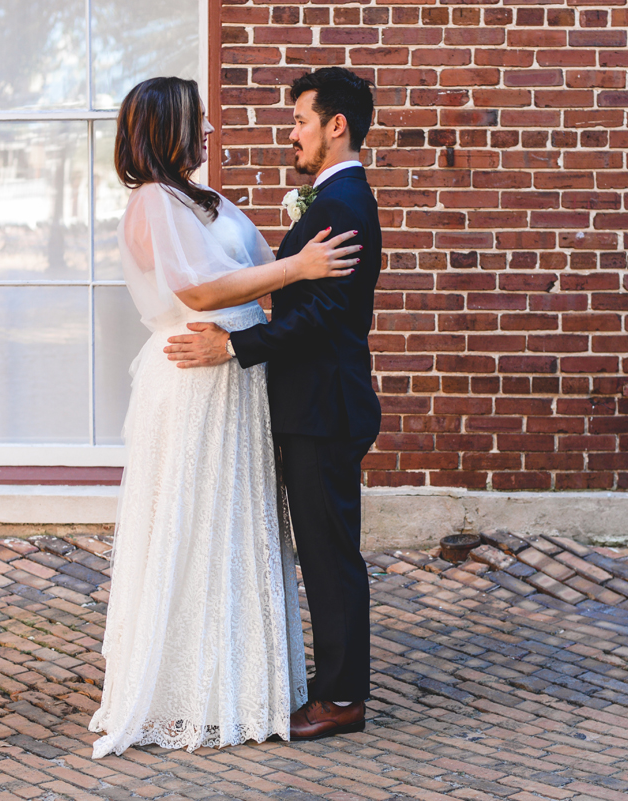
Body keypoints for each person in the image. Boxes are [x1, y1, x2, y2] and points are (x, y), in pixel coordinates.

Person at [88, 76, 361, 758]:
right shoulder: (153, 201)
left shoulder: (199, 198)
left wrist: (295, 266)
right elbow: (201, 288)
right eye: (199, 122)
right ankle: (187, 688)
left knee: (235, 526)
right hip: (197, 376)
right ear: (168, 129)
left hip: (235, 376)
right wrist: (301, 268)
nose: (210, 132)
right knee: (194, 521)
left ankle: (240, 681)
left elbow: (260, 265)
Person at [166, 67, 382, 741]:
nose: (291, 134)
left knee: (329, 554)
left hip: (324, 407)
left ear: (335, 125)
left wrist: (234, 349)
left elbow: (321, 315)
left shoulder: (342, 205)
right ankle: (333, 685)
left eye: (299, 121)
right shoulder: (334, 199)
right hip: (315, 403)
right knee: (322, 549)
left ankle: (342, 697)